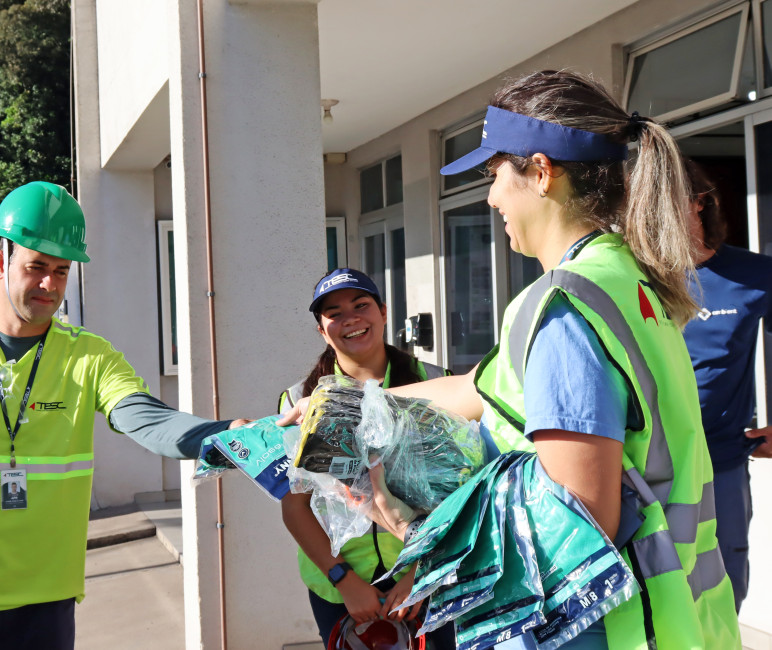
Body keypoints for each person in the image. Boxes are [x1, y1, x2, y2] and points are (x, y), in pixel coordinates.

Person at [282, 71, 741, 648]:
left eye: (495, 174)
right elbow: (479, 386)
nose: (491, 196)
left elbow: (581, 519)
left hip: (610, 628)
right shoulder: (629, 280)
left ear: (542, 172)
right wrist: (343, 399)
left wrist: (411, 526)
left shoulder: (563, 306)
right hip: (679, 614)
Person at [0, 181, 247, 649]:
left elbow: (147, 420)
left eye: (61, 271)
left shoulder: (89, 357)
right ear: (0, 262)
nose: (50, 285)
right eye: (36, 267)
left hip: (44, 603)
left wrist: (228, 434)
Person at [278, 268, 455, 647]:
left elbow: (456, 496)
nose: (351, 319)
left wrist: (420, 573)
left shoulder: (435, 383)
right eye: (334, 313)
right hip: (340, 587)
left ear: (384, 312)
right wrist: (345, 581)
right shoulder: (297, 401)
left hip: (426, 576)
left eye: (361, 305)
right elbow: (295, 507)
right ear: (321, 330)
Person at [682, 159, 772, 612]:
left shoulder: (755, 275)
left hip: (723, 462)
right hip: (649, 466)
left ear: (700, 203)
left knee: (726, 586)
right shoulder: (636, 277)